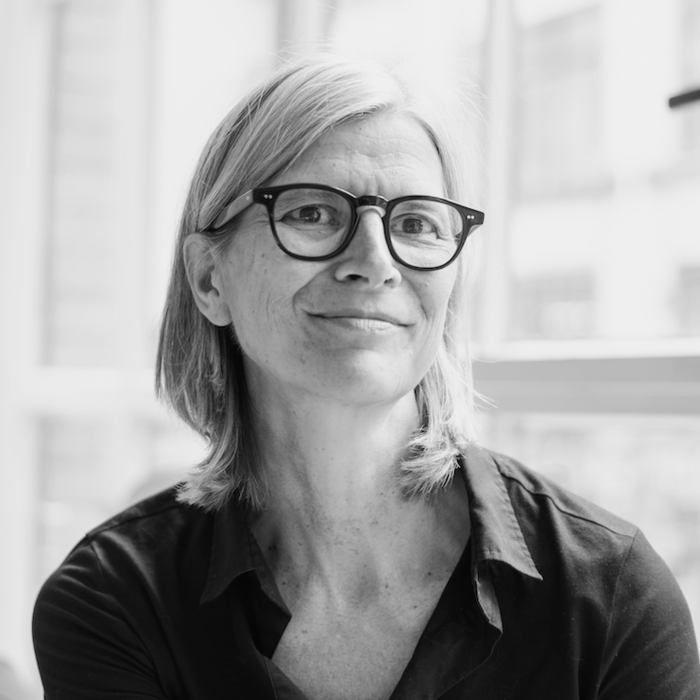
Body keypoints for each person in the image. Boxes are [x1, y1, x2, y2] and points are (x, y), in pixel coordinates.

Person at [33, 54, 700, 700]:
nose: (375, 262)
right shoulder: (112, 601)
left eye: (415, 224)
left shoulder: (612, 593)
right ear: (210, 278)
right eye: (312, 213)